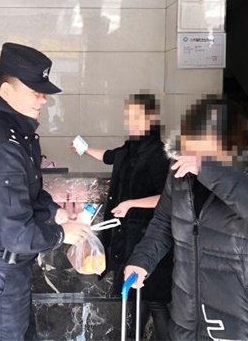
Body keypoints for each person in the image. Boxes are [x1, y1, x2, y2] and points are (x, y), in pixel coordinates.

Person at [124, 96, 248, 340]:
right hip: (188, 319)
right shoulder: (181, 170)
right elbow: (163, 221)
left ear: (230, 144)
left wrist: (212, 172)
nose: (191, 155)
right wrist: (142, 260)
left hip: (247, 325)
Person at [0, 42, 91, 341]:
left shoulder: (15, 130)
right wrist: (63, 234)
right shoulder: (2, 145)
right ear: (7, 91)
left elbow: (28, 191)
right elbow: (18, 236)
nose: (43, 99)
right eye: (35, 91)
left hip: (0, 265)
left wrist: (56, 213)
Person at [71, 94, 173, 340]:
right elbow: (110, 156)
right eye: (129, 116)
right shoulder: (130, 149)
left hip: (151, 239)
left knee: (155, 300)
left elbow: (169, 197)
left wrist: (131, 204)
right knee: (136, 299)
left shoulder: (159, 153)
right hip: (128, 240)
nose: (131, 122)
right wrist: (85, 149)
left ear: (152, 118)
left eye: (138, 116)